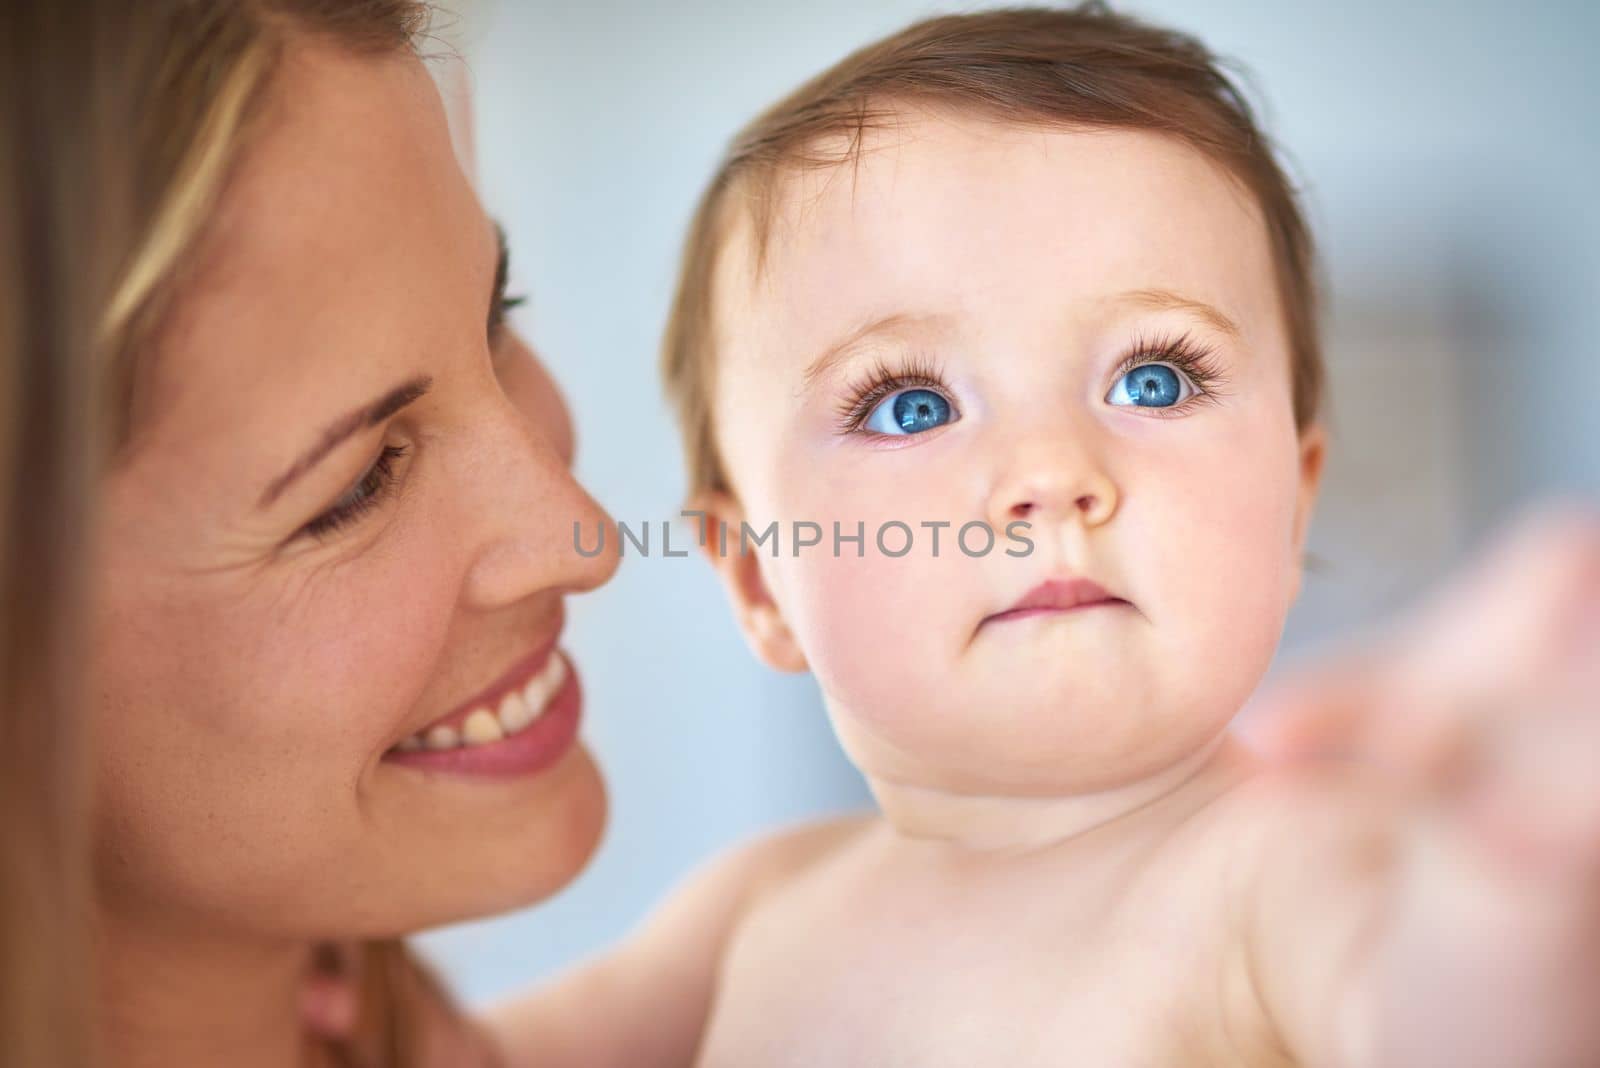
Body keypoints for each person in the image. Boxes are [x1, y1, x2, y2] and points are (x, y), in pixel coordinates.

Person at [485, 8, 1600, 1066]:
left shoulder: (1281, 866)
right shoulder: (745, 915)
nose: (1053, 476)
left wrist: (1511, 873)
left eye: (1153, 380)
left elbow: (1453, 1021)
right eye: (910, 405)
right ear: (758, 582)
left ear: (1294, 499)